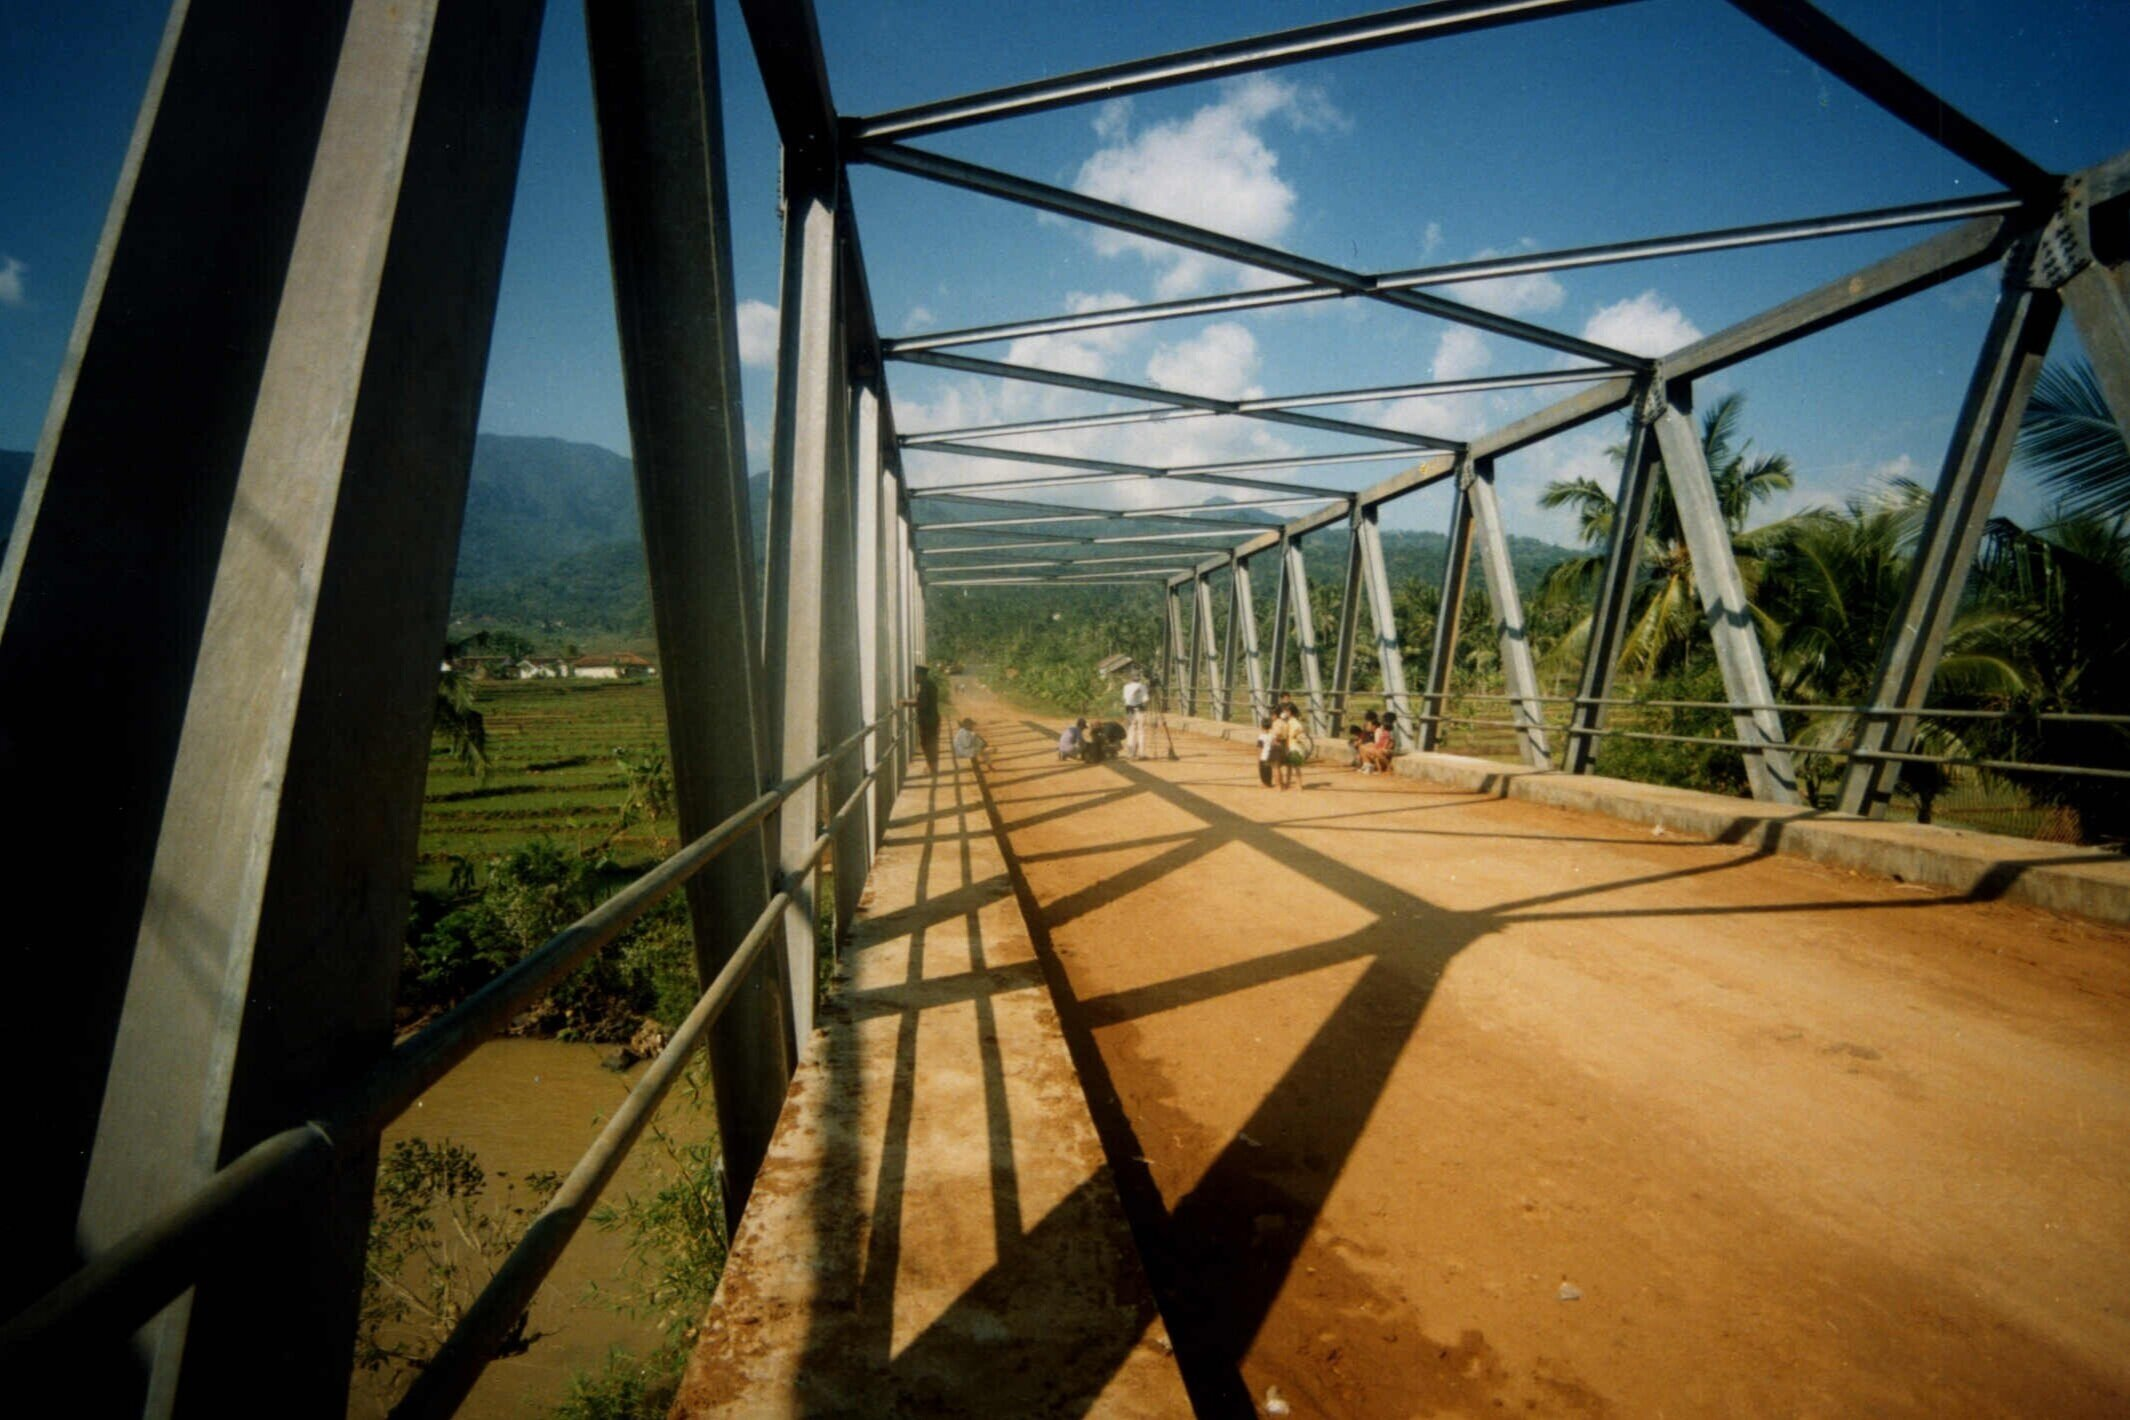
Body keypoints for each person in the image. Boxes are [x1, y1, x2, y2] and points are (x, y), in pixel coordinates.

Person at [907, 666, 941, 777]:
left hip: (927, 720)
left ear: (921, 675)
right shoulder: (929, 684)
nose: (914, 678)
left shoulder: (925, 686)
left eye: (915, 675)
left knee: (927, 744)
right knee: (931, 744)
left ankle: (933, 769)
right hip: (932, 719)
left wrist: (906, 703)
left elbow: (922, 704)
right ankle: (932, 767)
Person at [1121, 670, 1151, 759]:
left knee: (1131, 731)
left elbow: (1125, 699)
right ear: (1139, 678)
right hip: (1140, 710)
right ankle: (1142, 753)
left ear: (1131, 678)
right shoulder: (1143, 686)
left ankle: (1131, 753)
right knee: (1141, 731)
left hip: (1130, 711)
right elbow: (1146, 700)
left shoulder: (1126, 687)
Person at [1257, 715, 1277, 788]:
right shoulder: (1272, 736)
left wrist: (1258, 759)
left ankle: (1265, 783)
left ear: (1262, 726)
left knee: (1263, 771)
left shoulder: (1261, 737)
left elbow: (1260, 749)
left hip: (1263, 756)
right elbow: (1274, 745)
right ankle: (1269, 782)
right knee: (1269, 770)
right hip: (1270, 755)